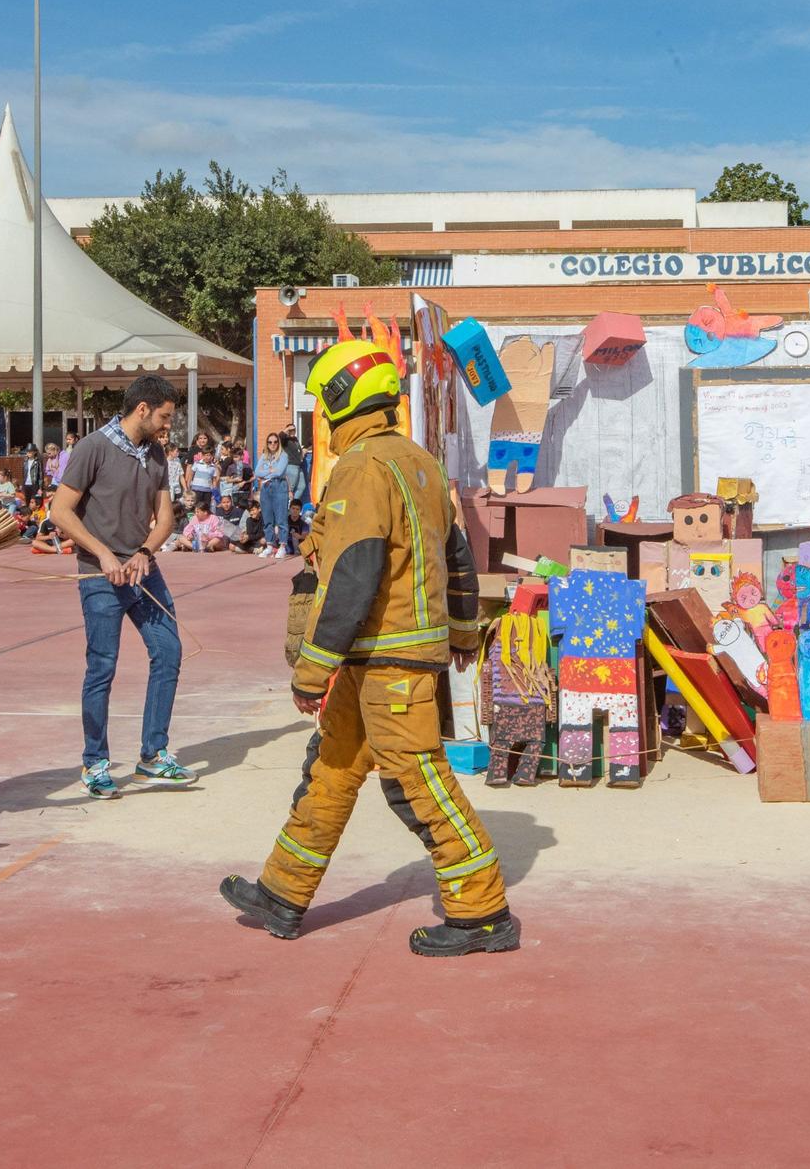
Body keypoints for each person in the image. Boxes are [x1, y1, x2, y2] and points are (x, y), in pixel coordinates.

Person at [219, 338, 516, 958]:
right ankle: (284, 891)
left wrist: (310, 669)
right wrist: (462, 633)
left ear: (337, 401)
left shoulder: (359, 468)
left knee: (419, 783)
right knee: (330, 768)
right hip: (385, 656)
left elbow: (354, 572)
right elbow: (457, 556)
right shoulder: (419, 462)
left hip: (388, 658)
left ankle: (483, 910)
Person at [48, 375, 194, 799]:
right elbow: (60, 511)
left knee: (168, 651)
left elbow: (165, 517)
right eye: (165, 416)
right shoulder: (93, 448)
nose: (169, 425)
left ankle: (153, 754)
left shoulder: (156, 454)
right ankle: (95, 762)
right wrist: (105, 554)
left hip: (142, 570)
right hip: (99, 575)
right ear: (143, 409)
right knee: (102, 667)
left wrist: (145, 553)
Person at [255, 431, 293, 559]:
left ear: (279, 443)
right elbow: (257, 472)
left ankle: (282, 546)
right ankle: (270, 545)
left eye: (275, 442)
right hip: (266, 488)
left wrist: (266, 473)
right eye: (270, 442)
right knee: (267, 518)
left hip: (279, 486)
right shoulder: (264, 456)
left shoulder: (283, 456)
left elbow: (280, 472)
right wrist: (270, 471)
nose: (272, 444)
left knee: (281, 518)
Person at [187, 446, 218, 512]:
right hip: (196, 489)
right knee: (196, 505)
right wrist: (188, 485)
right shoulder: (197, 463)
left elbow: (214, 480)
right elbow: (191, 474)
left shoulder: (213, 467)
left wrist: (214, 491)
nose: (207, 457)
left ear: (212, 456)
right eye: (206, 455)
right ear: (203, 455)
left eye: (209, 455)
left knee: (206, 507)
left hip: (208, 491)